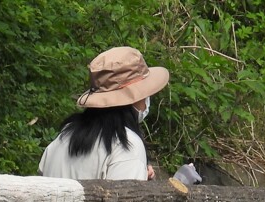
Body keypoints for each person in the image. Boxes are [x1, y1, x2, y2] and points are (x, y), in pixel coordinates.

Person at [39, 46, 169, 181]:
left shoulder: (63, 137)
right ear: (133, 99)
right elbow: (127, 200)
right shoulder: (127, 146)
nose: (146, 100)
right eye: (144, 94)